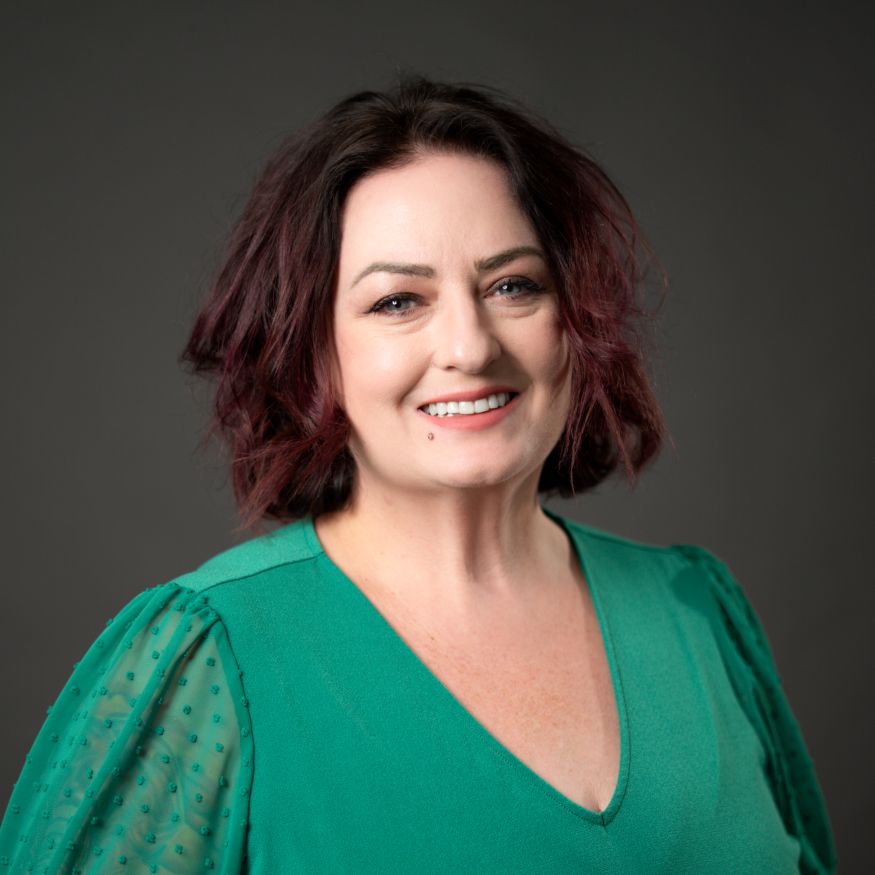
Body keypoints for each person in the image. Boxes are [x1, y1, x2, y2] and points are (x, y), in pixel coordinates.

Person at [0, 74, 835, 874]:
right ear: (310, 353)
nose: (470, 346)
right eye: (397, 301)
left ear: (575, 319)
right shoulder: (209, 658)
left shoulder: (697, 611)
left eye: (512, 285)